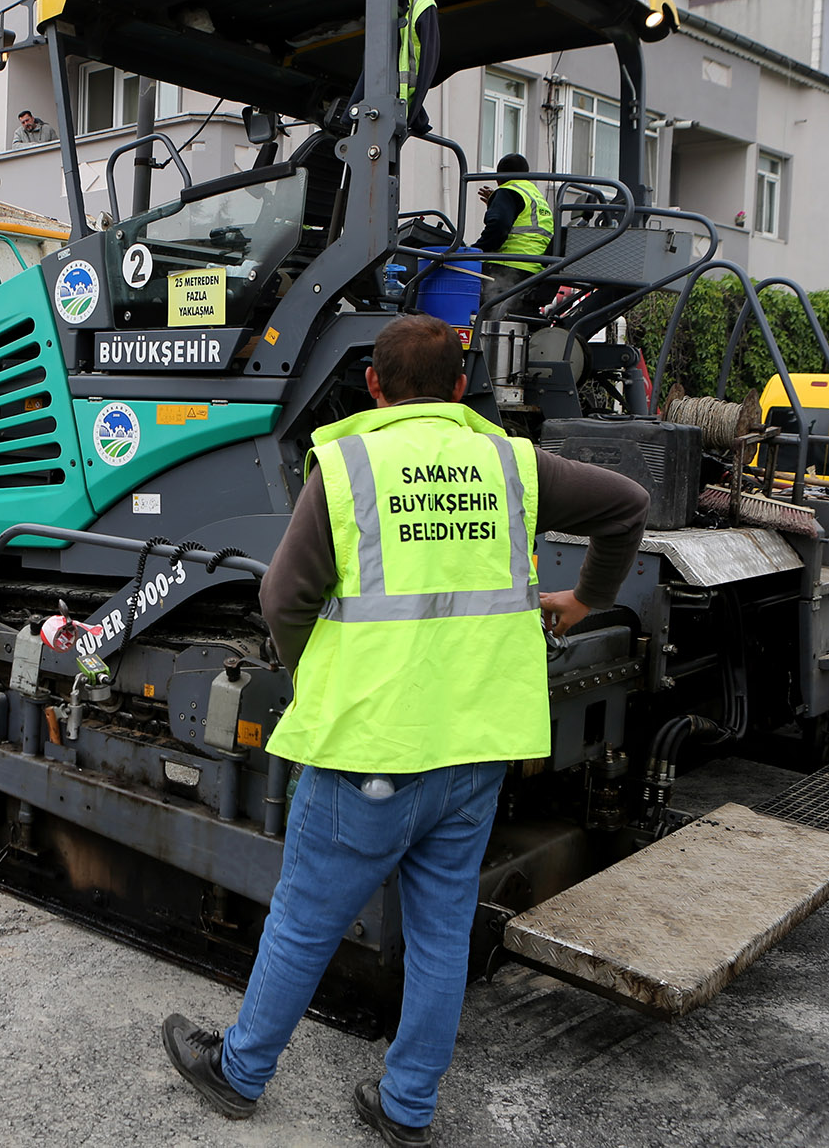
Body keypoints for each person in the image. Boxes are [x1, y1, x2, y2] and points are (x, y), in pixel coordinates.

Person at [160, 315, 648, 1145]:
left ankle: (239, 1073)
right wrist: (586, 598)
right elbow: (628, 505)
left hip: (373, 749)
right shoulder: (509, 460)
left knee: (305, 919)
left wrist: (319, 673)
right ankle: (406, 1104)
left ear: (375, 386)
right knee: (440, 932)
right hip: (479, 746)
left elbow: (283, 599)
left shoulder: (349, 463)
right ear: (462, 386)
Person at [471, 153, 554, 320]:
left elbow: (498, 228)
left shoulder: (507, 191)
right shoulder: (536, 197)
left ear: (499, 177)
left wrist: (474, 250)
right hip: (533, 271)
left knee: (471, 303)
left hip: (505, 266)